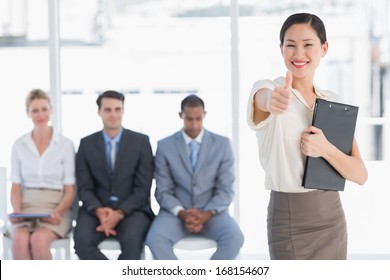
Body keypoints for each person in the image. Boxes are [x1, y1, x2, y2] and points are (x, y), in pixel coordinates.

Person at [247, 13, 368, 260]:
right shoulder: (271, 89)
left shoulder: (332, 102)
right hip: (289, 220)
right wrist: (272, 101)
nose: (298, 53)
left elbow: (360, 175)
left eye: (308, 45)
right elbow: (263, 99)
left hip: (332, 217)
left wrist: (325, 149)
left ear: (324, 48)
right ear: (281, 49)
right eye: (290, 45)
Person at [146, 94, 244, 260]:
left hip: (212, 213)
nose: (194, 125)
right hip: (175, 214)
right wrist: (182, 213)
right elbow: (163, 190)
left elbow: (226, 189)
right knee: (155, 239)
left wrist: (205, 214)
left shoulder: (222, 145)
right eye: (189, 119)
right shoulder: (165, 146)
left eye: (198, 118)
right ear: (181, 116)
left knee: (235, 237)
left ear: (204, 114)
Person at [73, 90, 154, 260]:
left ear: (123, 111)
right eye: (108, 109)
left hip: (132, 210)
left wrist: (119, 213)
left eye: (118, 109)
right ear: (99, 111)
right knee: (82, 241)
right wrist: (99, 211)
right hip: (96, 210)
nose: (113, 114)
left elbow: (143, 188)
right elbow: (84, 187)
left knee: (132, 243)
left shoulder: (141, 142)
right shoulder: (86, 144)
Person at [9, 89, 76, 260]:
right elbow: (15, 188)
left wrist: (58, 212)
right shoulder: (19, 145)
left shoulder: (65, 145)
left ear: (51, 110)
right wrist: (17, 212)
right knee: (19, 240)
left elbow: (70, 190)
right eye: (35, 110)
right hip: (27, 207)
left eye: (44, 109)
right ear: (28, 114)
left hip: (56, 207)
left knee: (38, 240)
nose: (41, 114)